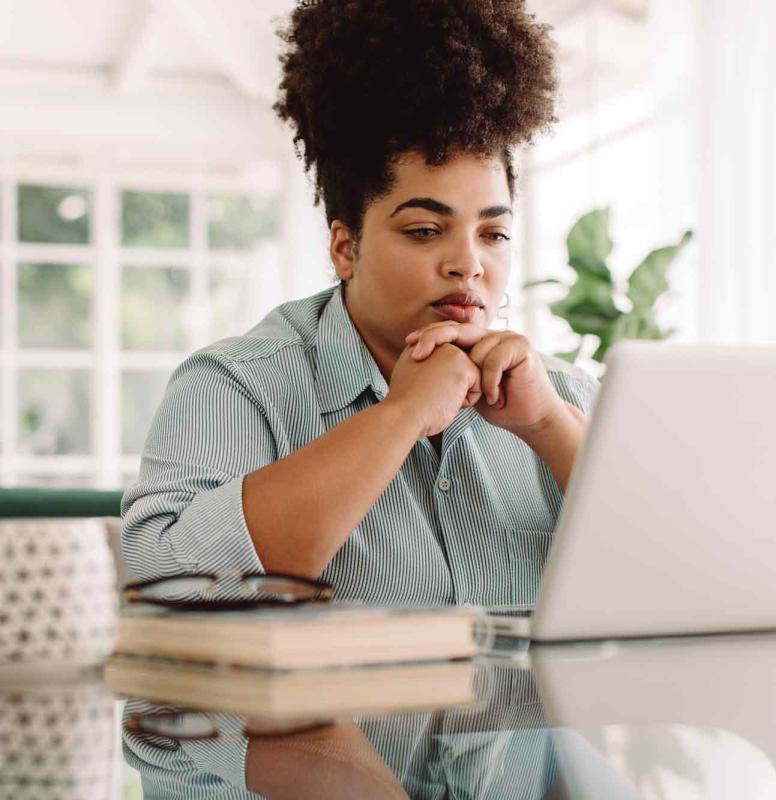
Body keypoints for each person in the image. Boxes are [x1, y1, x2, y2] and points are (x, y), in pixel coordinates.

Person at [121, 0, 599, 607]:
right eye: (426, 230)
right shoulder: (234, 387)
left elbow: (674, 584)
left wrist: (547, 427)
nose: (468, 263)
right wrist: (399, 417)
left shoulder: (563, 398)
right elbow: (169, 589)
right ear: (347, 249)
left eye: (493, 234)